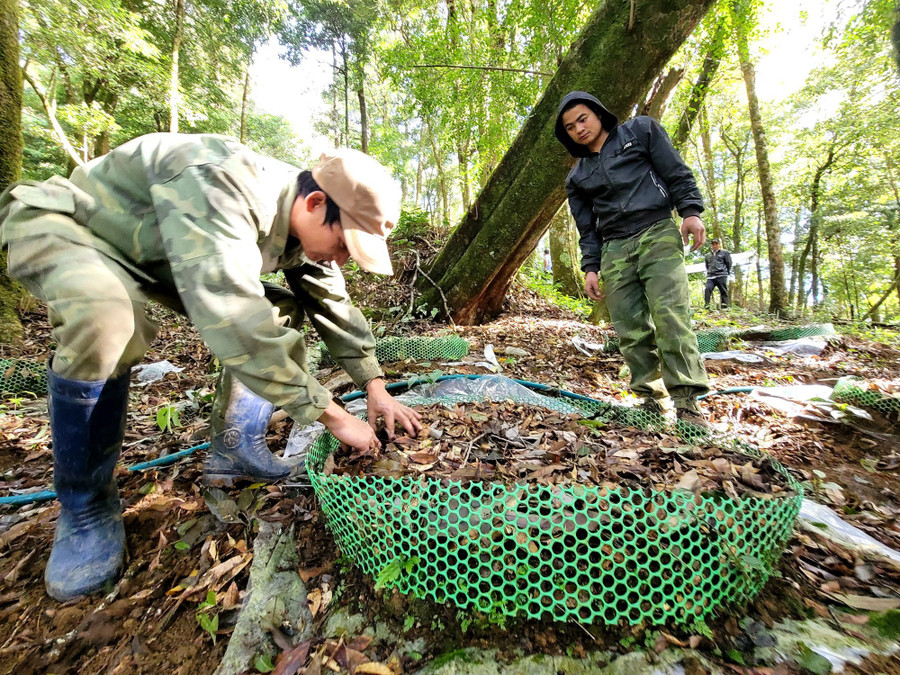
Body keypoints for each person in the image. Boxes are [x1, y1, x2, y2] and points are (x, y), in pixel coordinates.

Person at [0, 133, 423, 601]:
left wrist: (374, 384)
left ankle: (233, 449)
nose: (343, 259)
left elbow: (333, 304)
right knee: (109, 320)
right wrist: (335, 416)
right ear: (316, 202)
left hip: (153, 252)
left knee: (279, 308)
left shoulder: (306, 220)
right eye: (345, 244)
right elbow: (235, 321)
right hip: (72, 228)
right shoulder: (219, 181)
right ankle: (84, 504)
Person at [554, 91, 710, 427]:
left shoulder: (640, 131)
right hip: (615, 248)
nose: (579, 128)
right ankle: (650, 400)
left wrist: (691, 211)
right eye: (570, 127)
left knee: (670, 314)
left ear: (598, 113)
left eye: (583, 118)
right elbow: (587, 228)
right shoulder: (577, 178)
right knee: (630, 327)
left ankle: (686, 403)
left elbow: (675, 171)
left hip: (656, 230)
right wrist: (591, 267)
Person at [704, 238, 732, 309]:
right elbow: (707, 265)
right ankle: (707, 306)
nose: (714, 246)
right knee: (707, 289)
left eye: (716, 244)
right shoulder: (708, 255)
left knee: (723, 291)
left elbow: (729, 263)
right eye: (713, 244)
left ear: (719, 244)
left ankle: (724, 306)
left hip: (721, 275)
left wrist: (726, 272)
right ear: (711, 245)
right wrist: (710, 272)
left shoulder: (725, 252)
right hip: (711, 276)